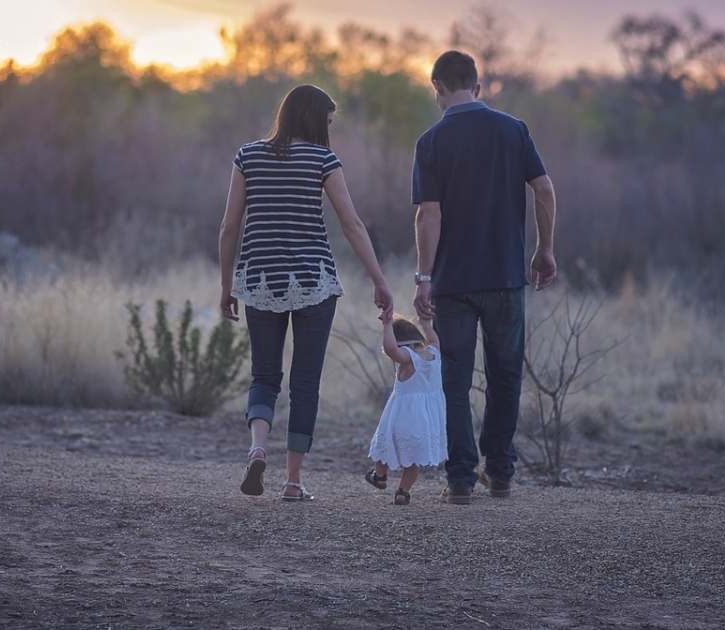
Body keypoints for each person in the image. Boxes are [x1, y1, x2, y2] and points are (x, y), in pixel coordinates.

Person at [219, 84, 393, 502]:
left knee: (264, 376)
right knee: (305, 383)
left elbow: (229, 227)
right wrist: (379, 280)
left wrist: (227, 286)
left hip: (260, 280)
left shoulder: (247, 156)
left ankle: (257, 448)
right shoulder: (322, 160)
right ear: (314, 119)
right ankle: (292, 481)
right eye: (327, 122)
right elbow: (352, 224)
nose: (328, 130)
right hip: (314, 281)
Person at [411, 50, 558, 505]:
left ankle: (460, 479)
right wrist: (545, 248)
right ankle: (500, 472)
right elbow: (544, 189)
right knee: (505, 376)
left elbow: (428, 215)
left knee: (454, 381)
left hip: (453, 283)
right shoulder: (514, 130)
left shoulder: (431, 141)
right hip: (506, 277)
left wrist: (423, 276)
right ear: (477, 87)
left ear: (437, 87)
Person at [365, 313, 446, 506]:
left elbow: (391, 349)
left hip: (402, 416)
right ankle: (403, 492)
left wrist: (387, 326)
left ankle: (380, 476)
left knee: (383, 444)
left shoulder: (408, 358)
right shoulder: (434, 354)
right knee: (413, 458)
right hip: (426, 420)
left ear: (401, 343)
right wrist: (426, 324)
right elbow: (434, 340)